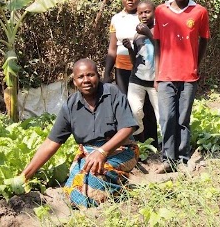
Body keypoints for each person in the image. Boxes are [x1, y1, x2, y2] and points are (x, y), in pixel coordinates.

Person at [21, 58, 139, 208]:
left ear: (98, 75)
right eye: (81, 77)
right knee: (73, 188)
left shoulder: (113, 93)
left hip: (121, 150)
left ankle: (121, 193)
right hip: (89, 155)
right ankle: (112, 191)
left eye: (90, 75)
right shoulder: (70, 106)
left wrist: (103, 151)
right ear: (75, 81)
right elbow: (51, 143)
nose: (86, 80)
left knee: (92, 181)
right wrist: (24, 176)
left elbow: (128, 127)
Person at [153, 0, 210, 173]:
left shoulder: (200, 12)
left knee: (183, 119)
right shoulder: (160, 11)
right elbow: (158, 44)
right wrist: (157, 73)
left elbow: (204, 39)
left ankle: (184, 157)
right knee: (167, 117)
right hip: (165, 75)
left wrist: (196, 63)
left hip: (188, 75)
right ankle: (168, 159)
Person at [103, 0, 157, 145]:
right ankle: (134, 144)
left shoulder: (145, 15)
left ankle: (152, 142)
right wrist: (106, 73)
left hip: (146, 68)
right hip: (122, 69)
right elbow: (112, 48)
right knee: (129, 106)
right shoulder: (117, 19)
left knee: (148, 107)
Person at [122, 0, 159, 139]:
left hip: (156, 80)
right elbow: (135, 61)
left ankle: (165, 147)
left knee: (161, 114)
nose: (144, 15)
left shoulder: (160, 30)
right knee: (135, 111)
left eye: (147, 12)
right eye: (140, 13)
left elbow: (164, 50)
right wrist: (130, 49)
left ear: (154, 13)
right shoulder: (137, 34)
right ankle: (139, 143)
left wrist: (148, 33)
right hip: (137, 79)